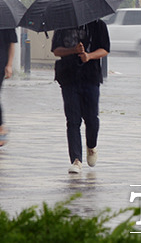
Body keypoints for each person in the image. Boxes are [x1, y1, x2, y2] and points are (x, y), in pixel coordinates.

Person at [51, 19, 110, 174]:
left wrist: (89, 56)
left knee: (91, 119)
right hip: (68, 78)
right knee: (73, 120)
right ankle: (76, 160)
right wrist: (73, 51)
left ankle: (91, 146)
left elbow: (105, 50)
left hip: (90, 77)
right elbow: (56, 50)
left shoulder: (98, 25)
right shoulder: (62, 25)